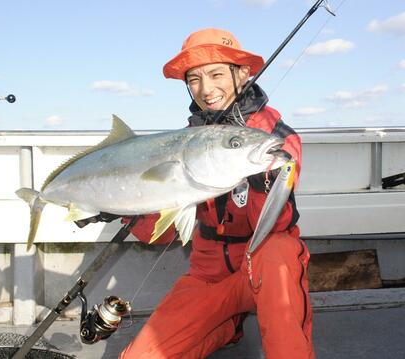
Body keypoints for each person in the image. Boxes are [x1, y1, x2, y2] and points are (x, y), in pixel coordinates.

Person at [118, 28, 315, 359]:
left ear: (242, 74)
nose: (206, 89)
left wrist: (248, 165)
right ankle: (226, 327)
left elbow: (272, 223)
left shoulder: (275, 138)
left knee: (280, 252)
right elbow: (163, 235)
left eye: (216, 74)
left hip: (264, 266)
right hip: (209, 273)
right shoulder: (183, 146)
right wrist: (125, 205)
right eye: (194, 79)